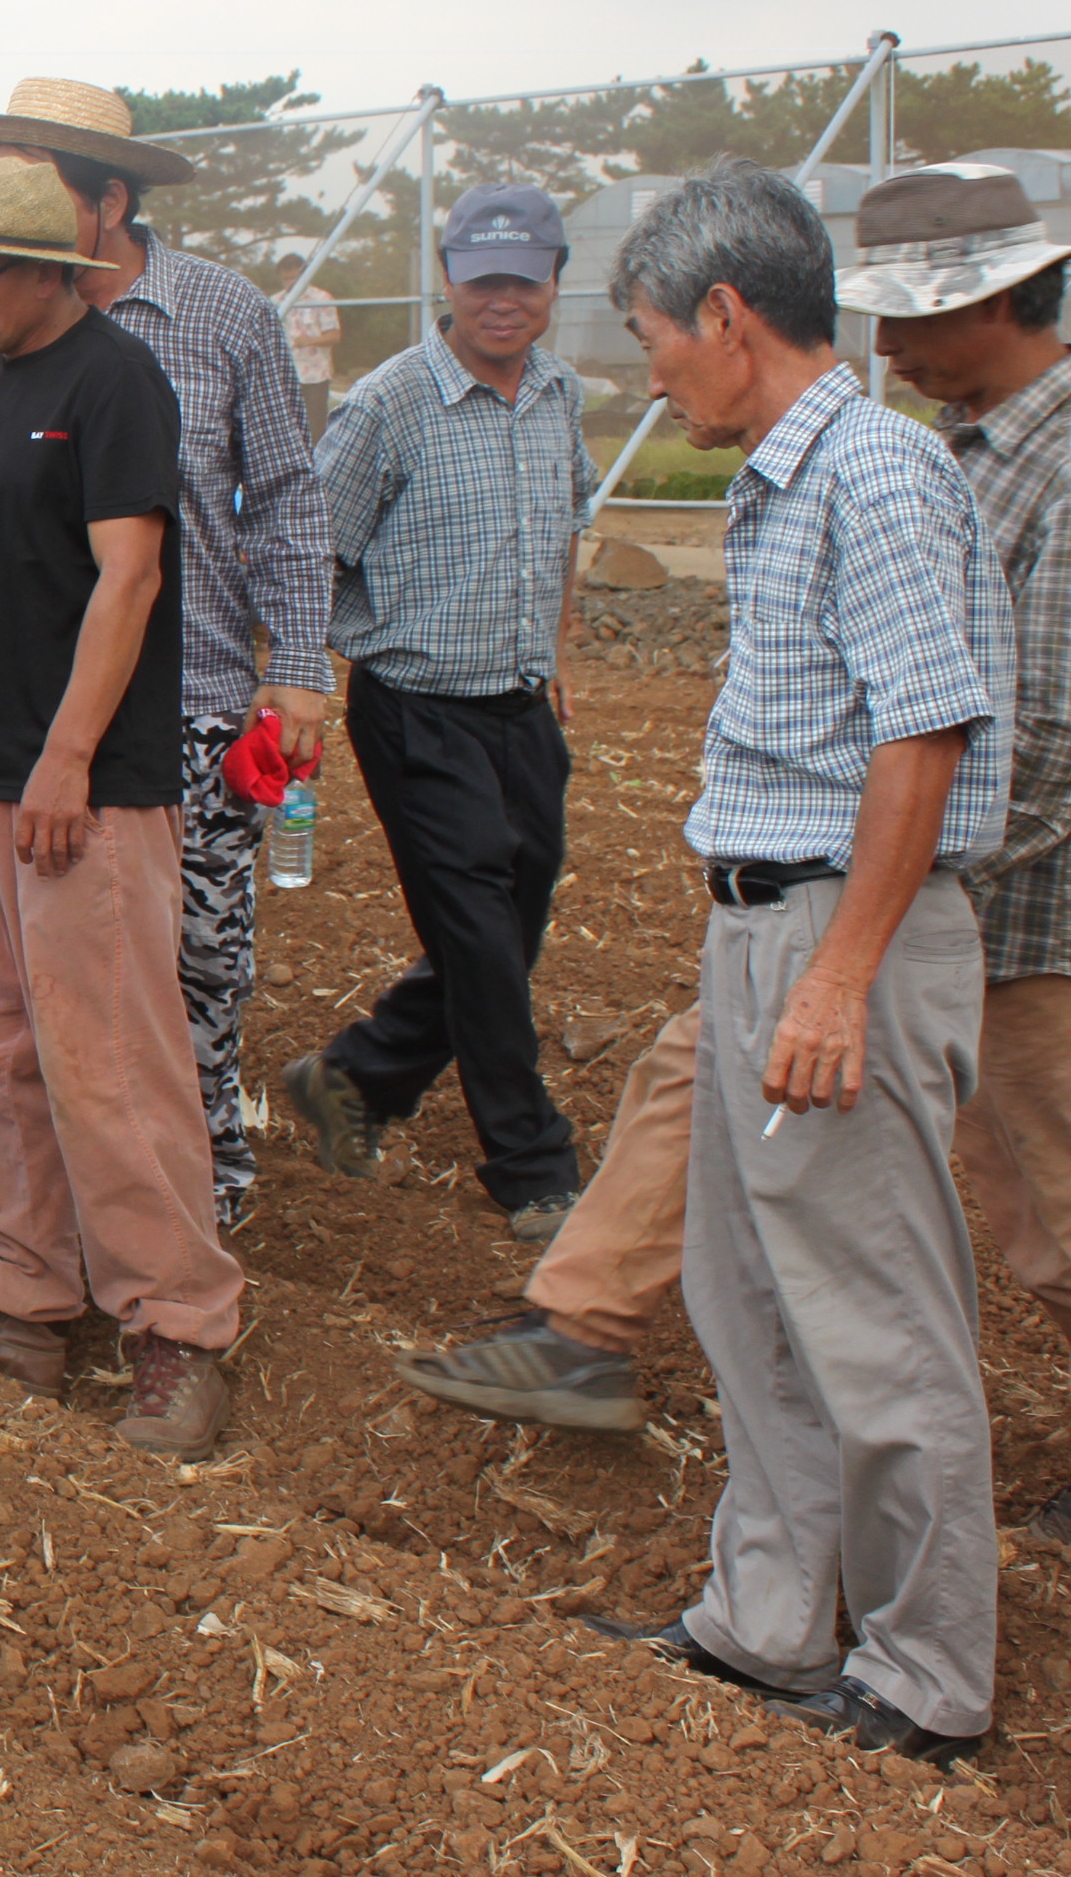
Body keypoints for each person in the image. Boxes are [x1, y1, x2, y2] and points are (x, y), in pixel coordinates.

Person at [404, 168, 1071, 1482]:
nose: (886, 345)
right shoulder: (953, 445)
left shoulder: (1028, 460)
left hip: (1002, 894)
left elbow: (1022, 719)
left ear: (993, 302)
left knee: (1036, 1193)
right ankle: (581, 1326)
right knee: (700, 1072)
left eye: (911, 318)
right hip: (872, 875)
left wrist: (889, 917)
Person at [597, 161, 1009, 1764]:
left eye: (652, 339)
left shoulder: (877, 476)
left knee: (874, 1311)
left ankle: (925, 1676)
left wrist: (839, 975)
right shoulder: (791, 478)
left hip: (849, 932)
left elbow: (926, 726)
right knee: (752, 1289)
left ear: (725, 313)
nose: (650, 374)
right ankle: (771, 1619)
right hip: (775, 919)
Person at [0, 78, 329, 1272]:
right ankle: (8, 1257)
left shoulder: (209, 320)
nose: (7, 201)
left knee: (171, 993)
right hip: (16, 720)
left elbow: (277, 499)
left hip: (170, 703)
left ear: (101, 205)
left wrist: (297, 668)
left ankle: (179, 1257)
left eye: (36, 179)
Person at [0, 158, 241, 1458]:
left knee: (111, 1065)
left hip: (82, 791)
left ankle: (178, 1331)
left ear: (48, 275)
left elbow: (128, 579)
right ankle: (22, 1299)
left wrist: (70, 755)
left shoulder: (115, 381)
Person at [279, 184, 594, 1239]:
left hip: (519, 705)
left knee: (515, 923)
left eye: (525, 280)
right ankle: (531, 1163)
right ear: (447, 283)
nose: (504, 300)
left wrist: (554, 653)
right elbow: (310, 550)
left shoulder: (559, 393)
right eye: (482, 280)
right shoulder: (390, 402)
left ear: (553, 284)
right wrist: (302, 679)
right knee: (476, 929)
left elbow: (564, 529)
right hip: (416, 709)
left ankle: (356, 1073)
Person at [274, 253, 343, 439]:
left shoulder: (322, 298)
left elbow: (334, 335)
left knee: (315, 425)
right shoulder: (275, 301)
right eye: (286, 278)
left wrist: (309, 341)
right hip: (285, 374)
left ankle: (316, 465)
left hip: (315, 374)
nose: (290, 282)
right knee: (286, 425)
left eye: (294, 277)